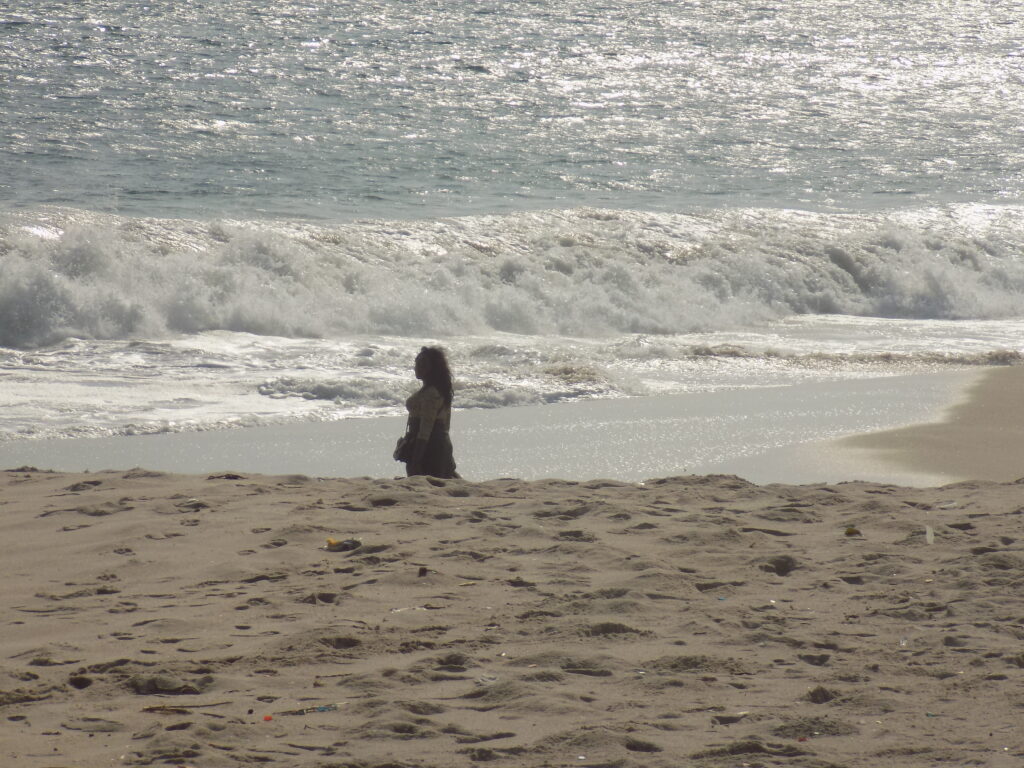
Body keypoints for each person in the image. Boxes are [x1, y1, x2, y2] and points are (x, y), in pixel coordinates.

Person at [400, 346, 458, 478]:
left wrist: (416, 459)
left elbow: (425, 430)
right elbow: (446, 424)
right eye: (417, 363)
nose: (417, 367)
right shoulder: (439, 390)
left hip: (429, 448)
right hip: (438, 444)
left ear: (432, 368)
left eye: (423, 364)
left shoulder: (431, 394)